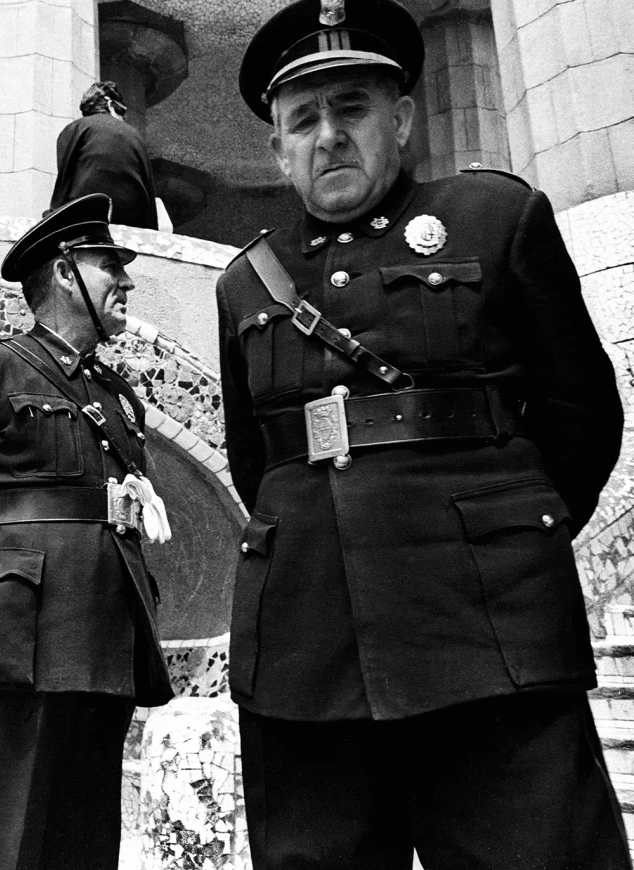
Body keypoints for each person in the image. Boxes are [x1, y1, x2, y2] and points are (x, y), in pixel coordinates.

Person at [218, 0, 628, 867]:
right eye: (304, 121)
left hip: (486, 635)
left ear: (401, 121)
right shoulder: (244, 284)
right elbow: (256, 460)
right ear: (278, 149)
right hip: (305, 645)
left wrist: (507, 537)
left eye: (352, 109)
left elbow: (583, 415)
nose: (328, 136)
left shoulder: (491, 218)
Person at [0, 193, 174, 870]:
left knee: (84, 843)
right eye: (110, 264)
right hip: (11, 636)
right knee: (8, 844)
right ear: (63, 271)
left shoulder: (113, 395)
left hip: (102, 634)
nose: (127, 281)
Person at [49, 82, 158, 230]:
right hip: (134, 221)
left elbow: (65, 180)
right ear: (111, 105)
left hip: (85, 216)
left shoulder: (73, 129)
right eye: (121, 110)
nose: (123, 118)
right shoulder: (134, 134)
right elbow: (148, 186)